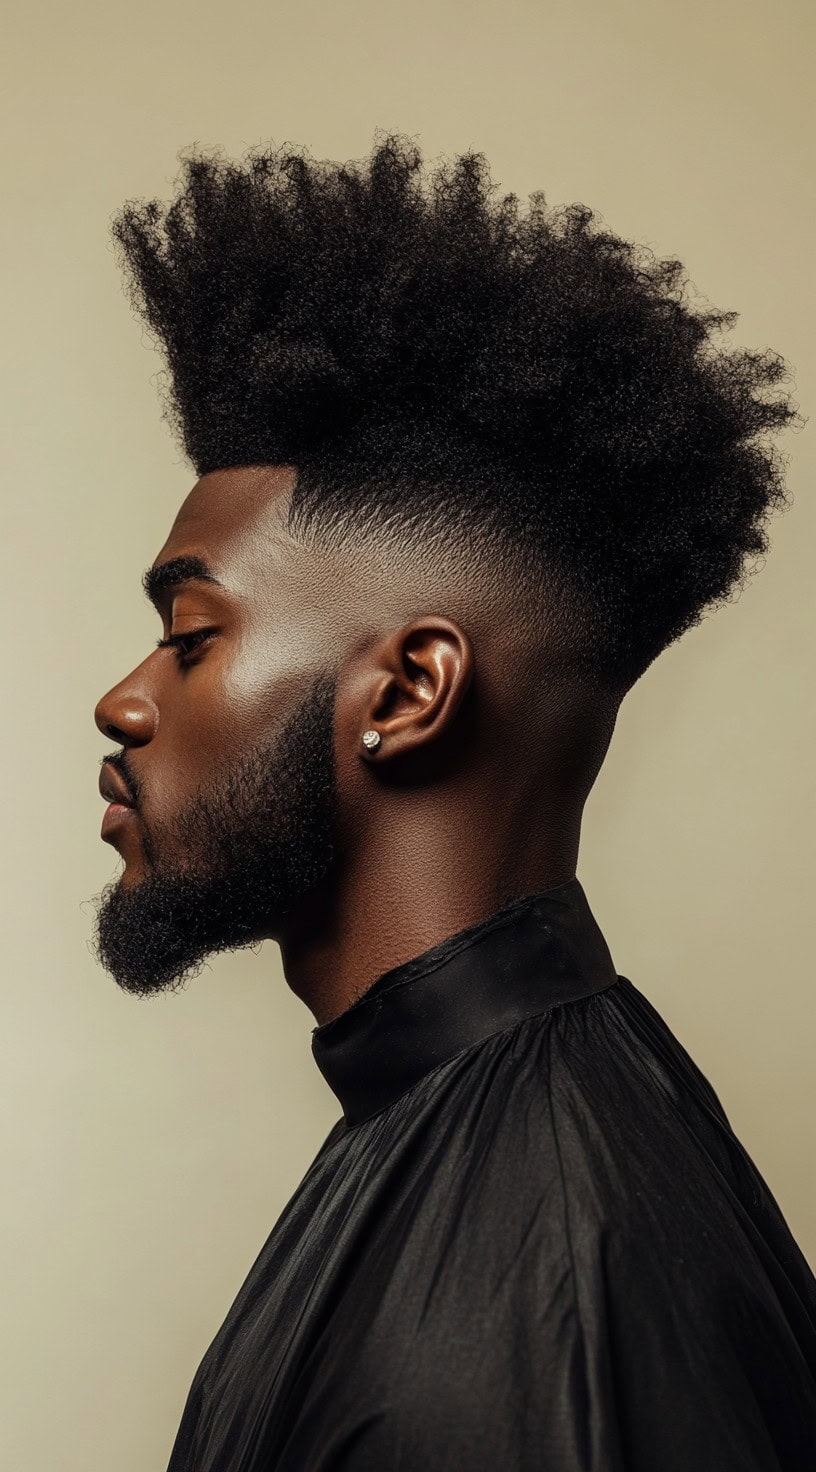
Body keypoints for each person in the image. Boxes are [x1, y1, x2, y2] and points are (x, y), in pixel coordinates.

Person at [90, 135, 816, 1469]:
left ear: (411, 692)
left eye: (191, 637)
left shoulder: (530, 1323)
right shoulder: (452, 1126)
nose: (124, 703)